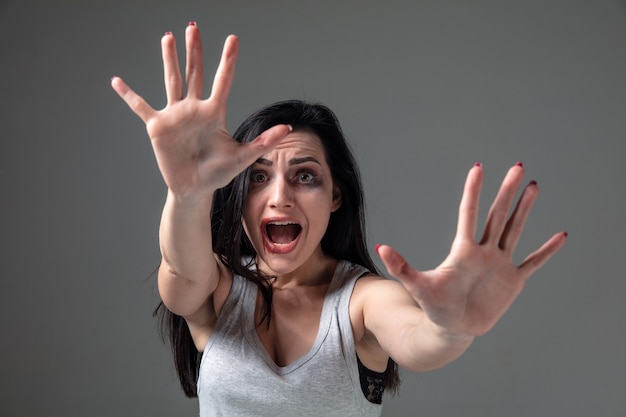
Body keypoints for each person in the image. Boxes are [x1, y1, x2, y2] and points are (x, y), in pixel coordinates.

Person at [111, 22, 567, 417]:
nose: (280, 197)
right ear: (235, 194)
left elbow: (416, 339)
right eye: (258, 178)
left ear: (335, 197)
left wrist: (452, 329)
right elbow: (181, 272)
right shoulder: (217, 291)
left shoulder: (362, 301)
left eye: (304, 176)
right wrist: (187, 193)